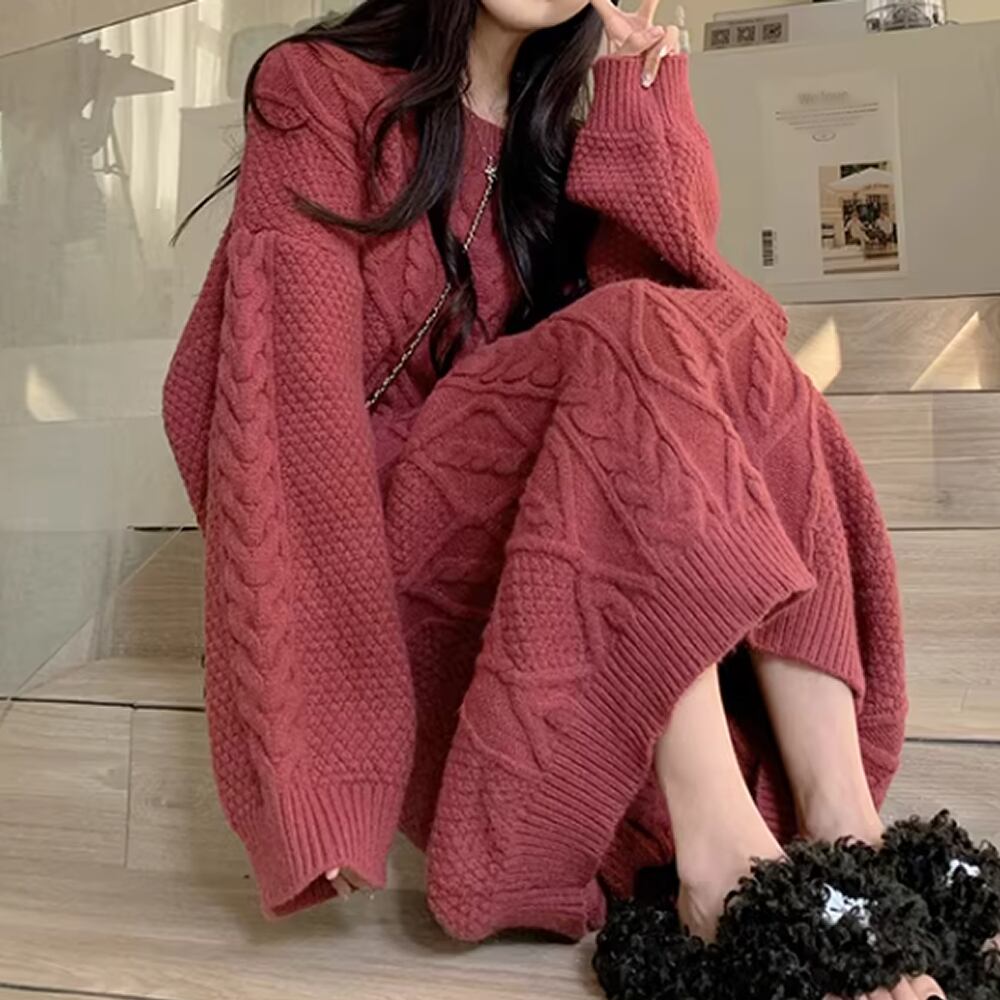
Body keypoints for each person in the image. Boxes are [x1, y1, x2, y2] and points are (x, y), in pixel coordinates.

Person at [162, 2, 997, 998]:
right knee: (636, 328)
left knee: (723, 332)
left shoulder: (552, 125)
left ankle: (847, 830)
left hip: (547, 542)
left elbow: (695, 342)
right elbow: (289, 413)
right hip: (395, 549)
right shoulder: (316, 87)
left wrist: (642, 114)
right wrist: (325, 765)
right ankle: (720, 859)